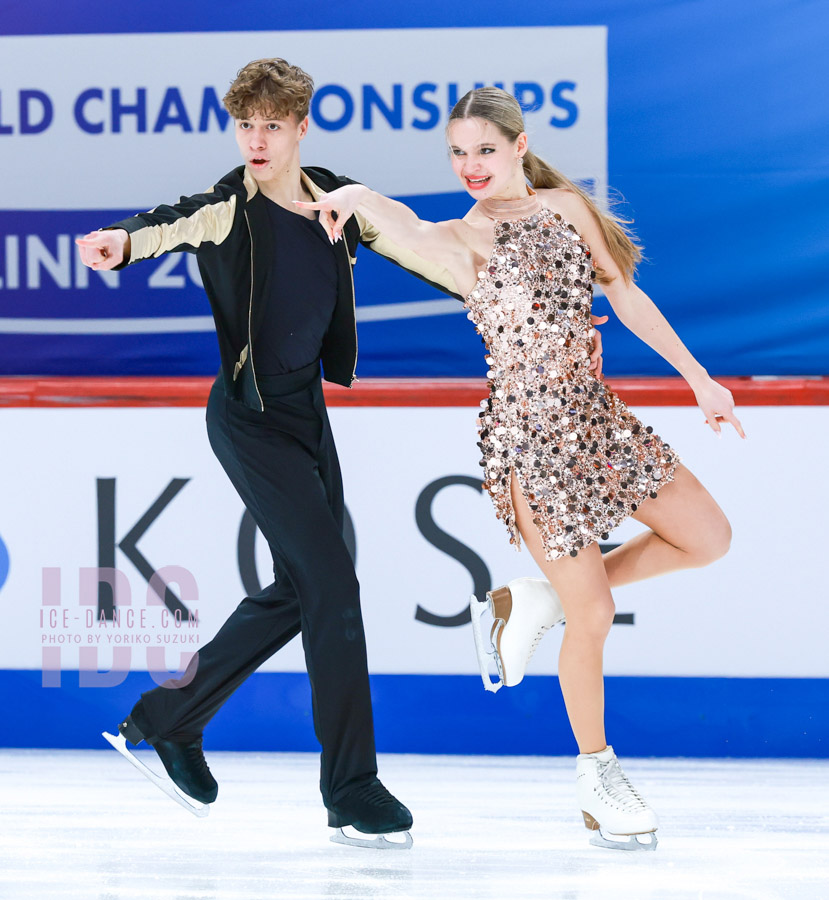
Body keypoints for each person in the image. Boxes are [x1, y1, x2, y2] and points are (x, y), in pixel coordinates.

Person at [295, 86, 744, 852]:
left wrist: (698, 377)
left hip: (597, 422)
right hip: (529, 440)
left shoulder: (565, 208)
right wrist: (357, 194)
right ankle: (597, 777)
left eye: (483, 150)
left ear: (517, 145)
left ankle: (534, 598)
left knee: (707, 537)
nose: (469, 166)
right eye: (456, 153)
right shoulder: (460, 240)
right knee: (594, 614)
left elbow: (622, 295)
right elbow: (395, 222)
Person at [74, 57, 477, 850]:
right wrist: (121, 242)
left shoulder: (337, 201)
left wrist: (495, 298)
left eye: (270, 126)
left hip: (307, 417)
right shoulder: (231, 206)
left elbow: (423, 250)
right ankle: (351, 787)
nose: (255, 140)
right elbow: (167, 223)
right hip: (249, 420)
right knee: (331, 588)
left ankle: (169, 718)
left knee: (307, 589)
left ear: (299, 128)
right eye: (244, 125)